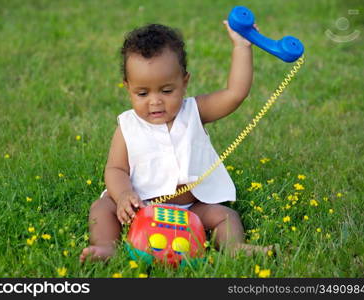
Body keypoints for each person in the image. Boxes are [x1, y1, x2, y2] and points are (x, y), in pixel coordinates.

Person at [80, 21, 271, 263]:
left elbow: (235, 94)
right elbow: (116, 169)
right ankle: (106, 247)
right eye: (142, 93)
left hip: (191, 208)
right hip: (142, 206)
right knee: (101, 207)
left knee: (225, 215)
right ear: (128, 89)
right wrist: (124, 195)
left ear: (184, 82)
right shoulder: (128, 126)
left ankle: (234, 247)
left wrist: (242, 46)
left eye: (167, 91)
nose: (155, 101)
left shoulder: (194, 111)